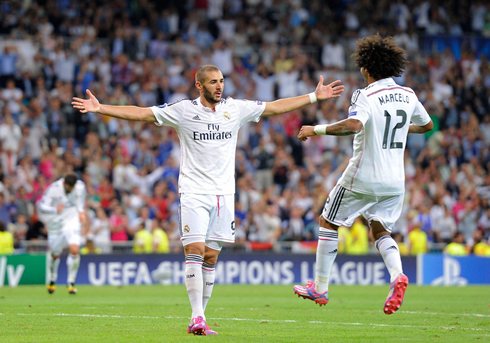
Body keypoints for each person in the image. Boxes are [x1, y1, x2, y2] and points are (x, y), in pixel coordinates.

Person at [72, 64, 344, 335]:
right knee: (195, 251)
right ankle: (197, 316)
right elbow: (142, 114)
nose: (219, 86)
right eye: (213, 82)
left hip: (224, 196)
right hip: (193, 192)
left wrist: (313, 97)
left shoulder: (234, 109)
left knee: (211, 258)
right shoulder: (183, 111)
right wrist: (101, 108)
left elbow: (274, 107)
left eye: (221, 81)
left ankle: (198, 318)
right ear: (199, 85)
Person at [293, 34, 433, 315]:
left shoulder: (365, 94)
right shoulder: (409, 95)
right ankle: (397, 276)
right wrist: (399, 129)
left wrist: (315, 129)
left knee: (328, 221)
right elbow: (427, 125)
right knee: (380, 228)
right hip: (395, 181)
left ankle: (320, 287)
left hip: (363, 176)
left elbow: (355, 125)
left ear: (366, 68)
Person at [38, 172, 87, 295]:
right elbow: (42, 206)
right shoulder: (54, 189)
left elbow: (80, 200)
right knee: (55, 254)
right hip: (56, 223)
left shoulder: (80, 186)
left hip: (72, 220)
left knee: (75, 249)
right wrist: (55, 209)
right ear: (64, 183)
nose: (71, 190)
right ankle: (53, 278)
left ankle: (71, 282)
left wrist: (81, 211)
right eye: (69, 187)